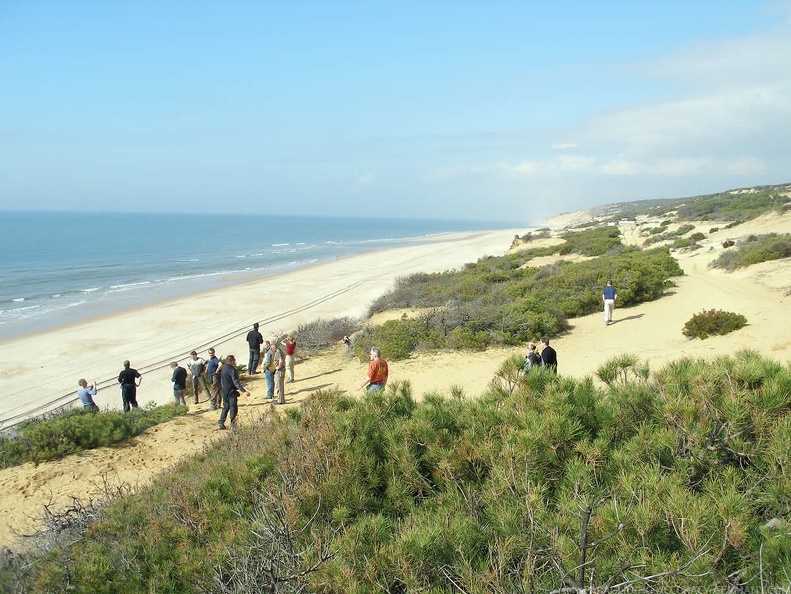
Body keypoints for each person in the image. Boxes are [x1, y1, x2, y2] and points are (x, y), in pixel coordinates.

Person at [218, 354, 249, 430]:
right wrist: (244, 391)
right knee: (233, 408)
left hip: (224, 390)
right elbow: (236, 382)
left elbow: (221, 380)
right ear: (232, 361)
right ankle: (233, 425)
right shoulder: (232, 370)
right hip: (231, 390)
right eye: (234, 360)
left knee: (225, 407)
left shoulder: (224, 369)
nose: (235, 362)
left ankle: (220, 423)